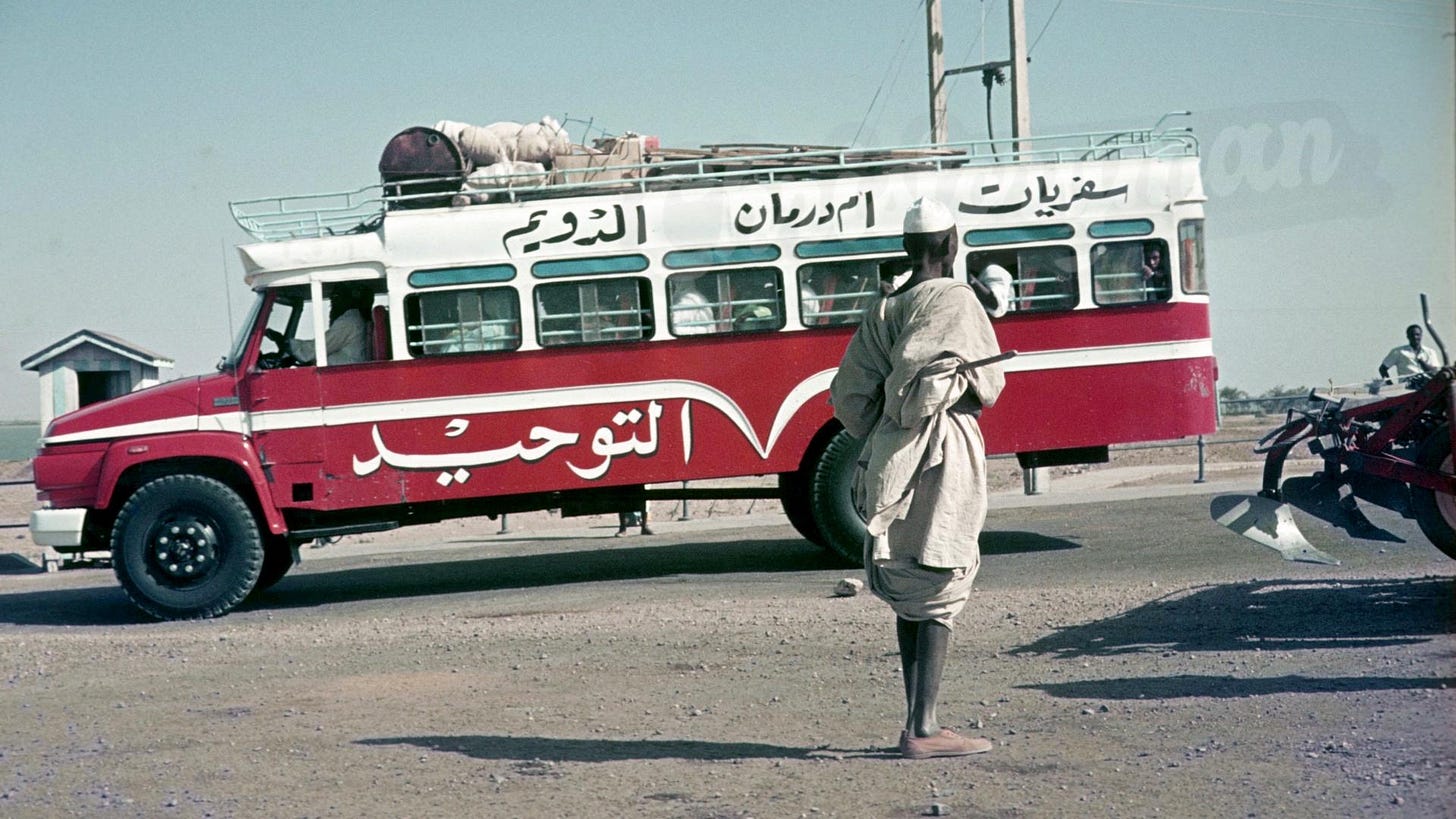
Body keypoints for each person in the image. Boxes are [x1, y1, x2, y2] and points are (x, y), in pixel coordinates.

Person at [830, 198, 1006, 760]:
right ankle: (924, 730)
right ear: (952, 244)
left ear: (907, 248)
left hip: (890, 454)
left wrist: (888, 416)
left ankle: (918, 721)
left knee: (913, 585)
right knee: (939, 576)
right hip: (941, 449)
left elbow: (850, 399)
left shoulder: (883, 307)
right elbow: (983, 383)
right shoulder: (956, 298)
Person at [269, 283, 373, 366]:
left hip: (344, 377)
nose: (332, 307)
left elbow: (317, 349)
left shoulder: (350, 321)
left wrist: (285, 343)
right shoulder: (355, 319)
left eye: (336, 297)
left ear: (351, 299)